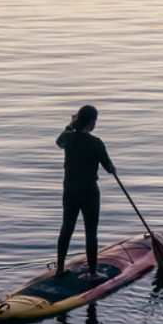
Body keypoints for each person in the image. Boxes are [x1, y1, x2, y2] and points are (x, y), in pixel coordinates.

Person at [55, 103, 115, 277]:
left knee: (67, 228)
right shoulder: (96, 143)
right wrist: (113, 169)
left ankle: (60, 268)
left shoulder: (68, 138)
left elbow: (58, 142)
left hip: (70, 191)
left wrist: (70, 125)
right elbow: (108, 167)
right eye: (95, 121)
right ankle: (93, 272)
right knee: (91, 232)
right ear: (90, 122)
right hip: (89, 192)